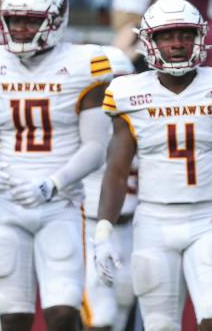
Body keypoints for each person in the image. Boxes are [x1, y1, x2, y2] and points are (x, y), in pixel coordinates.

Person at [93, 0, 212, 330]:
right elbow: (117, 169)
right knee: (160, 325)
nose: (177, 43)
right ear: (149, 41)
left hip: (208, 217)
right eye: (167, 36)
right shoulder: (128, 91)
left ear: (199, 36)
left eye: (184, 34)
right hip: (153, 218)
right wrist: (103, 232)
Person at [0, 0, 113, 331]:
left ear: (56, 19)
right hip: (6, 202)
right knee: (13, 317)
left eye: (30, 20)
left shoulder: (84, 63)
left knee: (62, 313)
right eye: (14, 19)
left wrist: (53, 182)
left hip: (60, 203)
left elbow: (96, 147)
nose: (18, 28)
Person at [80, 45, 136, 331]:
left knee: (124, 308)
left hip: (133, 227)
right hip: (89, 225)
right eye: (106, 86)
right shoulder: (83, 125)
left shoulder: (144, 116)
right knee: (101, 317)